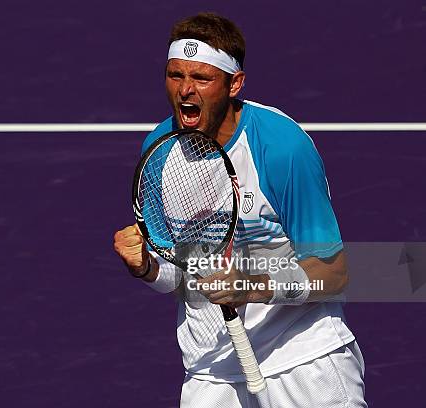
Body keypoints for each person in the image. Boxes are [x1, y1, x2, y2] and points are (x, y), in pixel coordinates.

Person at [113, 12, 366, 408]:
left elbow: (333, 274)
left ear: (235, 84)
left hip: (302, 359)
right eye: (175, 75)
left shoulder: (282, 147)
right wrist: (145, 267)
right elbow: (180, 275)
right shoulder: (159, 152)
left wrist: (251, 286)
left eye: (201, 78)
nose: (185, 91)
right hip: (212, 369)